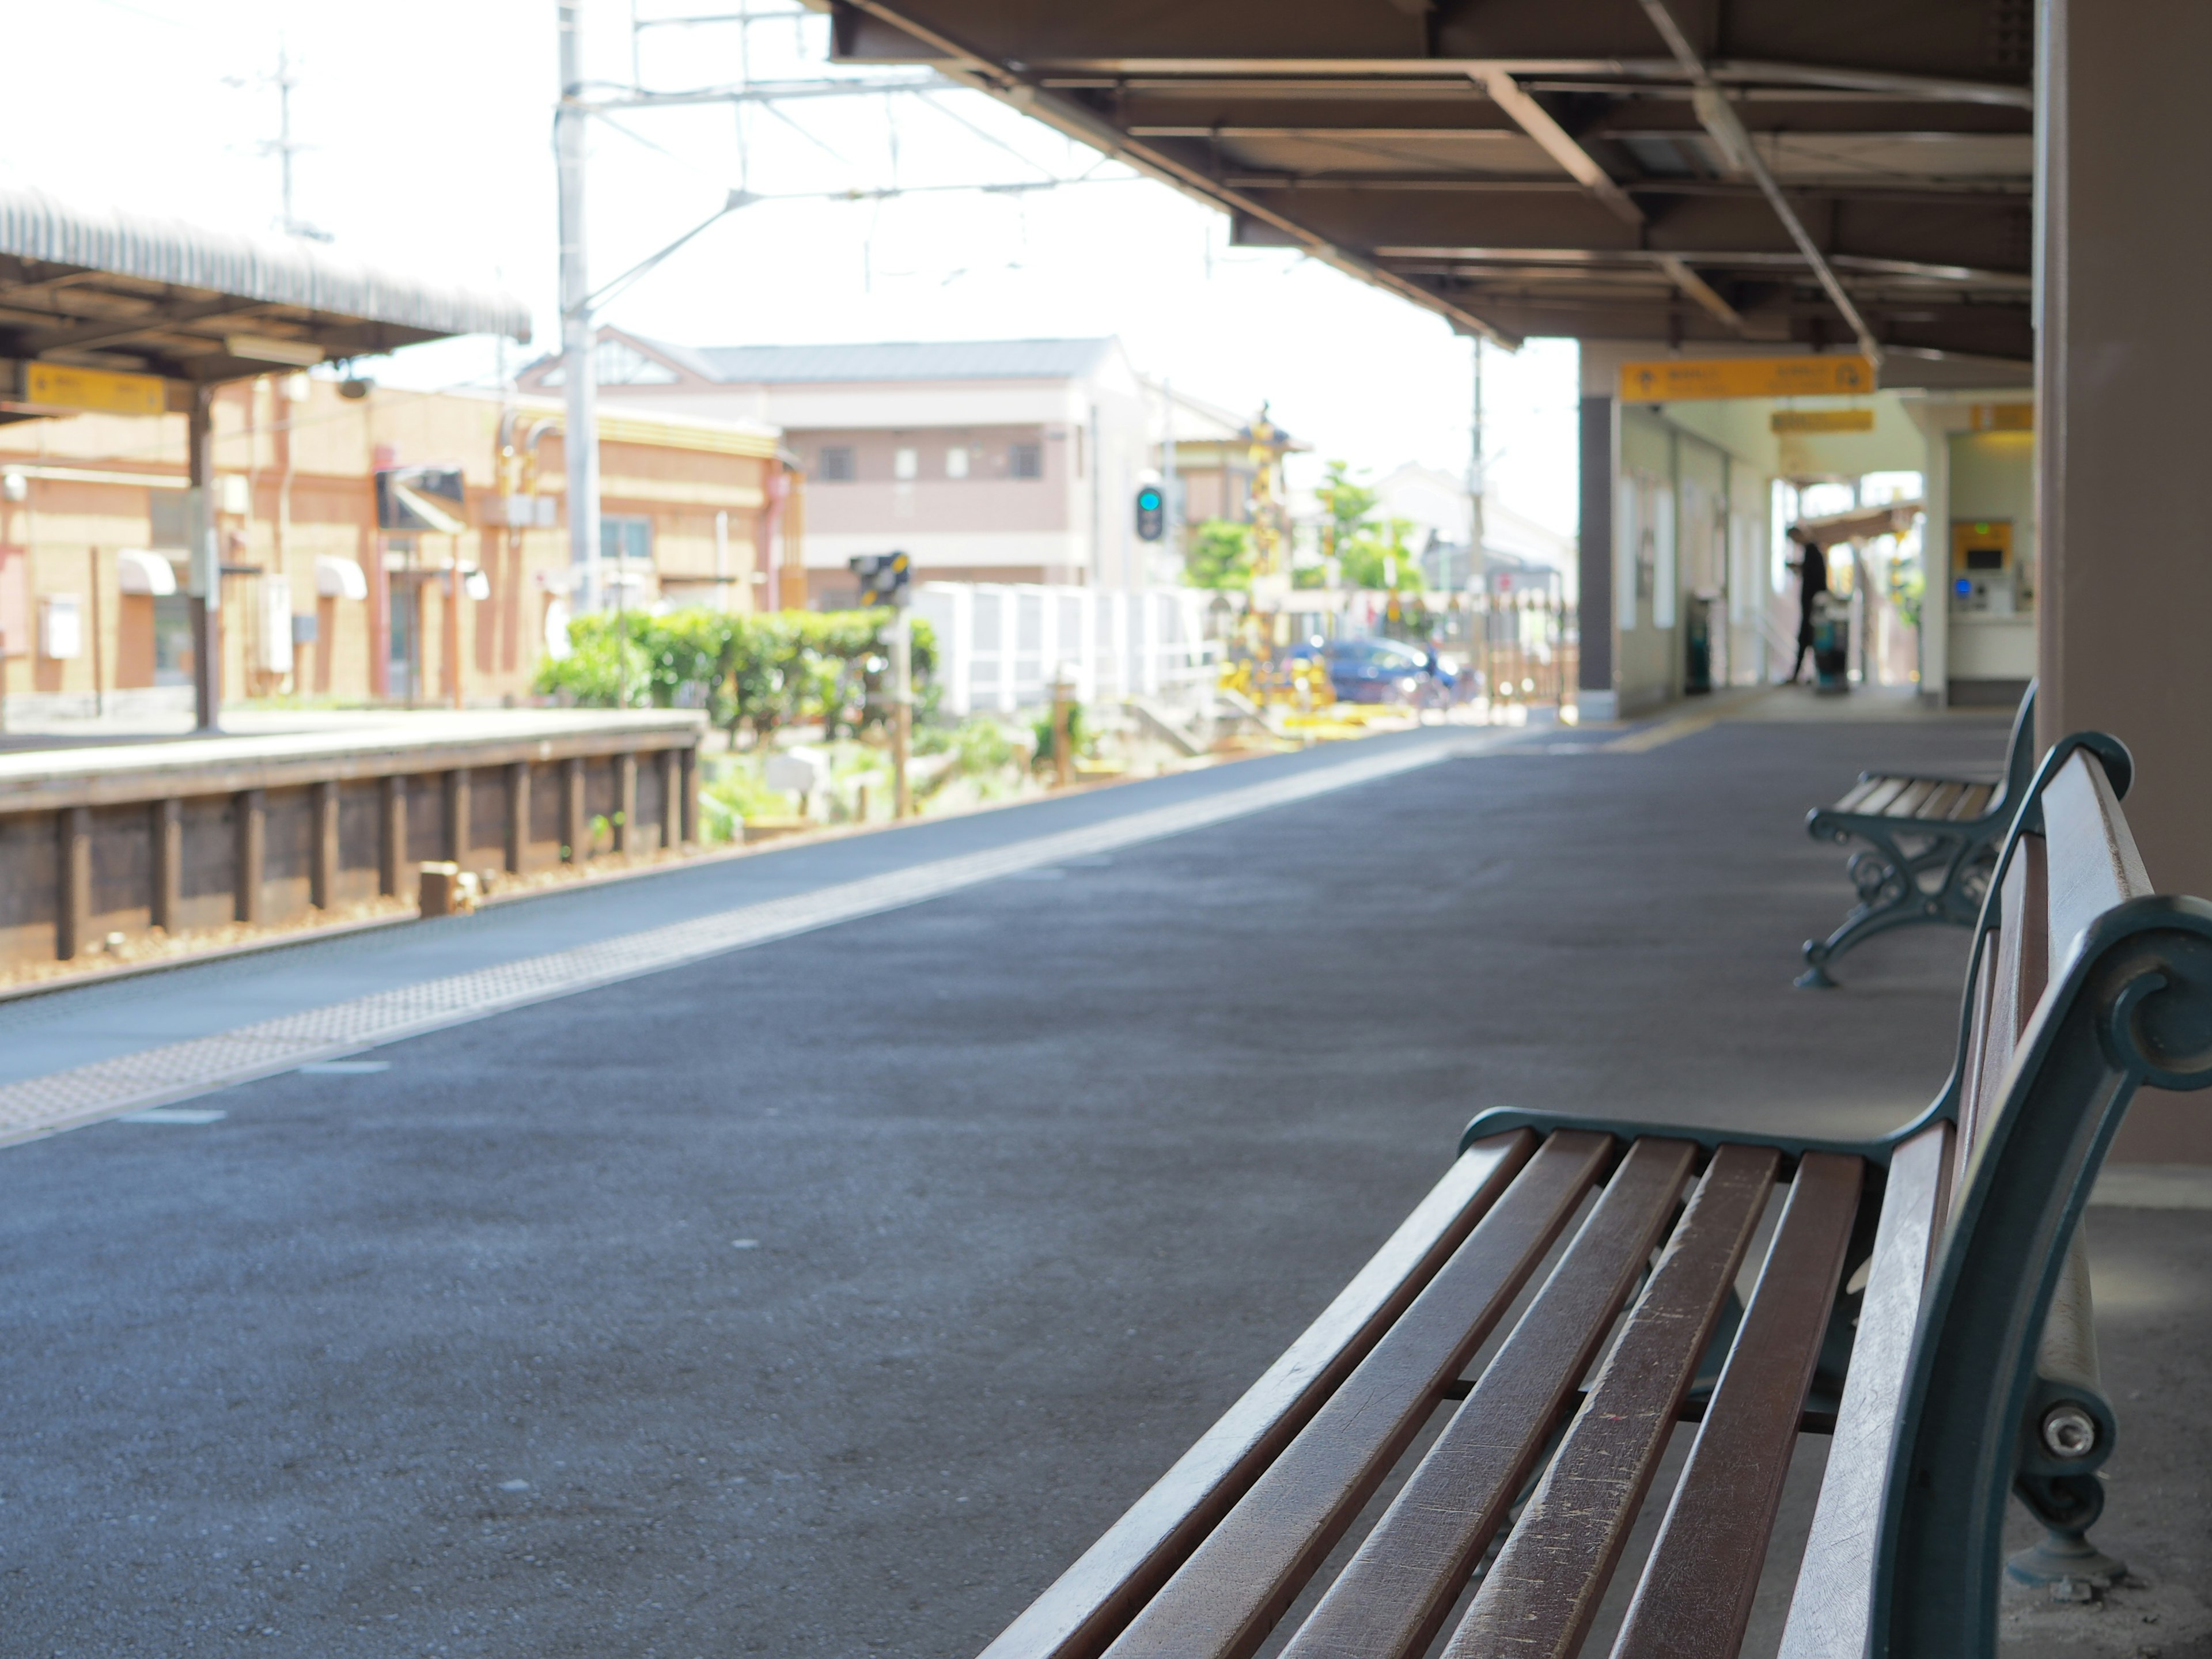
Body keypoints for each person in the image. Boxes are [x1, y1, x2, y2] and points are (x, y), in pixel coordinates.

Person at [1786, 536, 1830, 684]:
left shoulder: (1812, 551)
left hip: (1812, 607)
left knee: (1811, 639)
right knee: (1810, 641)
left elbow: (1813, 575)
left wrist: (1799, 568)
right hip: (1812, 606)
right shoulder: (1813, 552)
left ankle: (1816, 674)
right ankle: (1811, 674)